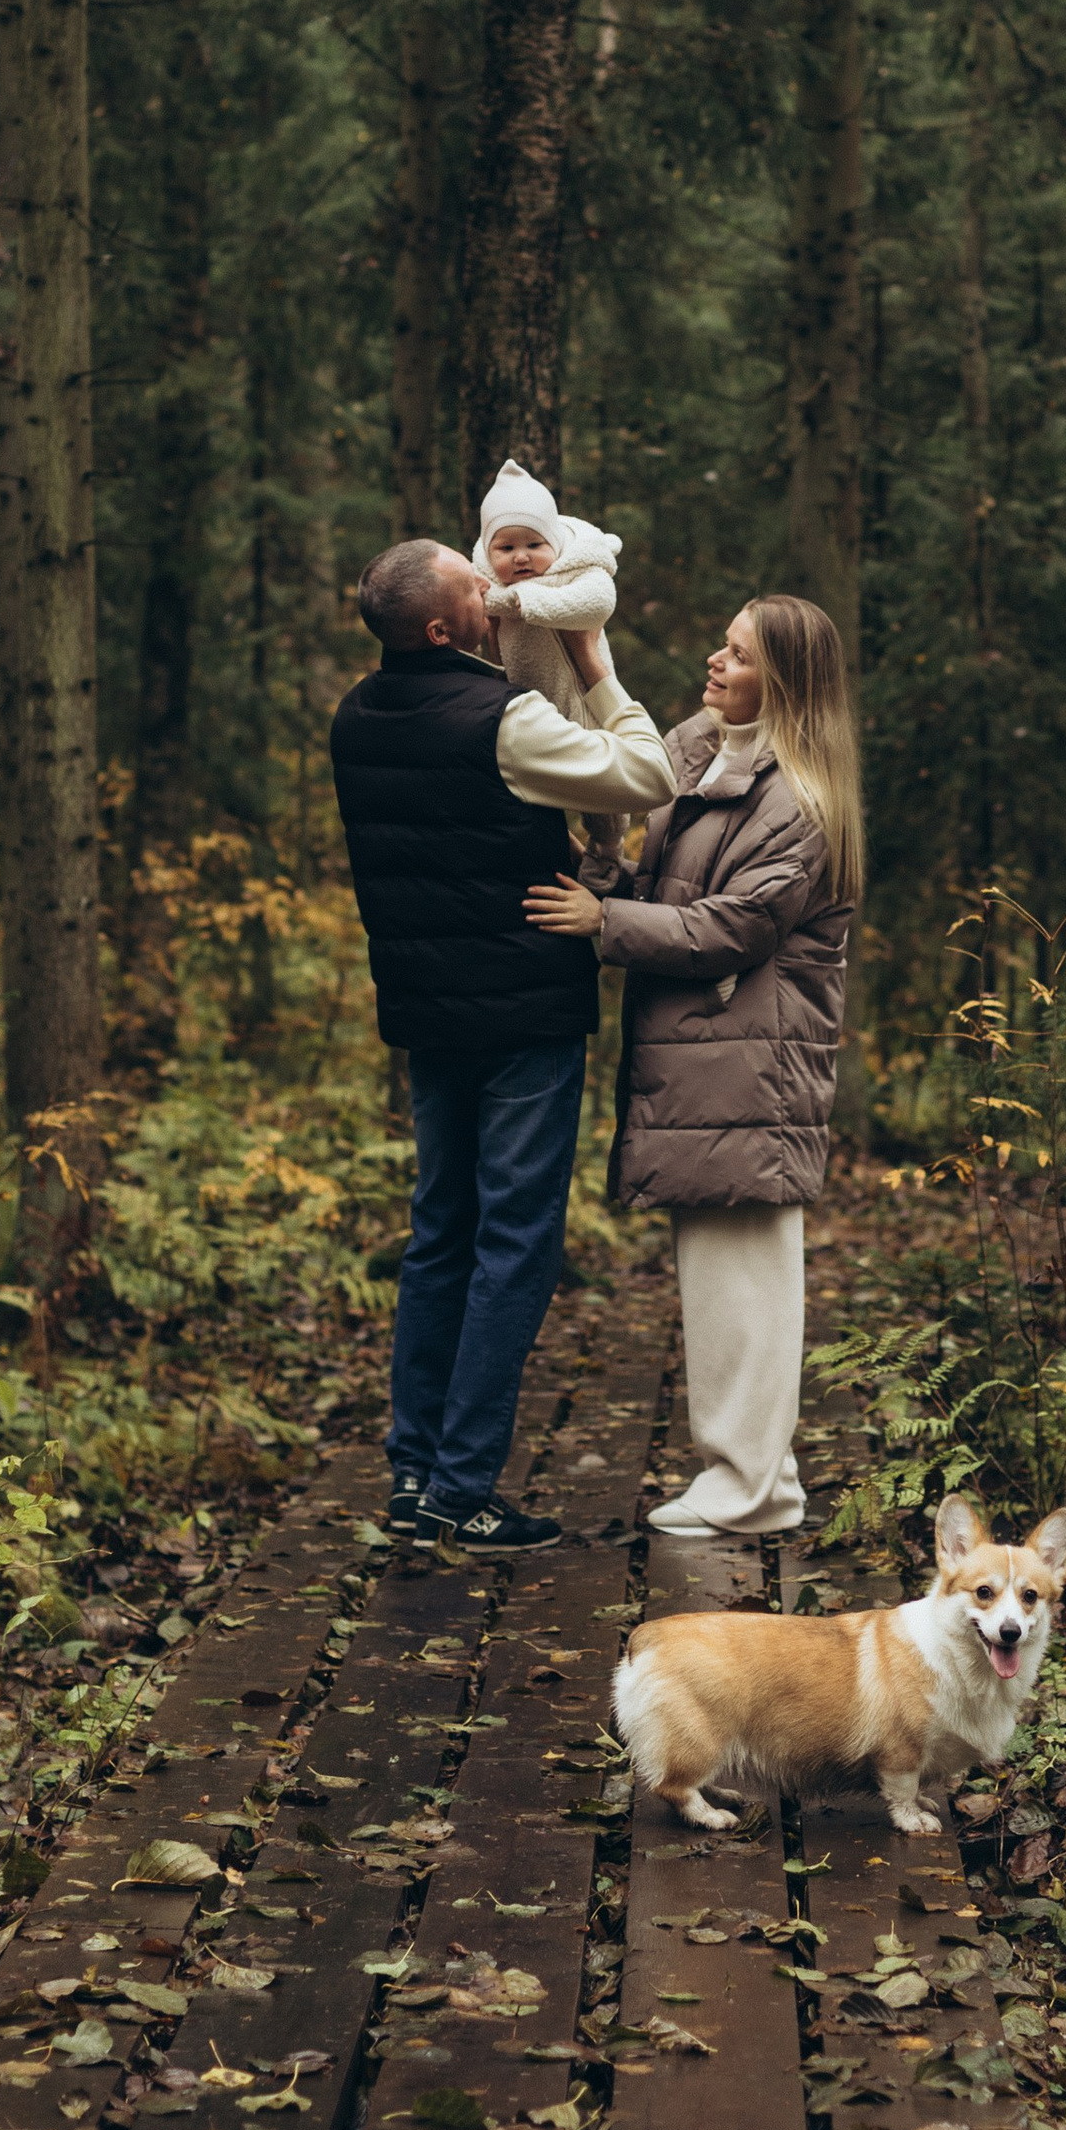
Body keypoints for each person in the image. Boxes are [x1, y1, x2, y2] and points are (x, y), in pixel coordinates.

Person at [332, 536, 676, 1549]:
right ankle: (463, 1484)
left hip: (427, 1014)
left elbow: (449, 836)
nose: (493, 586)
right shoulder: (505, 719)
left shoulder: (356, 714)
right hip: (523, 1010)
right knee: (515, 1241)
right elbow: (647, 773)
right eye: (472, 581)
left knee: (440, 1231)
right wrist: (596, 662)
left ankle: (413, 1473)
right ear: (445, 627)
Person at [526, 595, 860, 1538]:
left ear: (782, 683)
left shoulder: (800, 801)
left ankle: (748, 1489)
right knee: (721, 1284)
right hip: (712, 1064)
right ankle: (756, 1479)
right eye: (723, 643)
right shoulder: (701, 753)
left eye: (740, 654)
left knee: (745, 1286)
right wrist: (602, 874)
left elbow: (733, 926)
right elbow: (666, 878)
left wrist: (605, 922)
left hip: (752, 1070)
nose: (716, 660)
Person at [473, 455, 624, 727]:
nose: (521, 557)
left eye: (534, 545)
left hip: (590, 705)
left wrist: (533, 601)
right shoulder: (488, 588)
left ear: (554, 542)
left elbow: (599, 602)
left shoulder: (575, 567)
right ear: (488, 551)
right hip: (530, 712)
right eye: (506, 548)